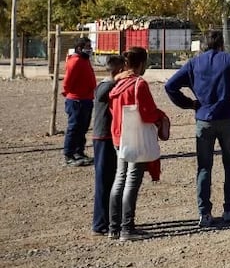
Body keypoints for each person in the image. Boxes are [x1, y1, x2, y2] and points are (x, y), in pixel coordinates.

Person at [164, 30, 230, 227]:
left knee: (204, 167)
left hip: (204, 118)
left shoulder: (194, 63)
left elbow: (170, 86)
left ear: (203, 45)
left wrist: (188, 103)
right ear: (222, 44)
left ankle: (204, 213)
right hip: (228, 118)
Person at [107, 47, 167, 241]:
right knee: (132, 182)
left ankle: (113, 227)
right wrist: (161, 116)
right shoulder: (139, 84)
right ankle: (127, 228)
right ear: (141, 63)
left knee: (119, 179)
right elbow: (147, 113)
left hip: (118, 136)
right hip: (135, 138)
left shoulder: (117, 83)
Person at [91, 55, 124, 235]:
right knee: (104, 182)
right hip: (103, 138)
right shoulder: (106, 86)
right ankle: (100, 223)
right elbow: (105, 93)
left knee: (111, 180)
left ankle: (110, 220)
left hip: (106, 137)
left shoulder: (107, 84)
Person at [62, 36, 97, 167]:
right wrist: (68, 94)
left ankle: (79, 152)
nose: (90, 49)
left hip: (86, 99)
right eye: (87, 47)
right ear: (79, 48)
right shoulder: (75, 61)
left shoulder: (84, 60)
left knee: (82, 128)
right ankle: (69, 155)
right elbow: (68, 81)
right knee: (74, 128)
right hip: (76, 100)